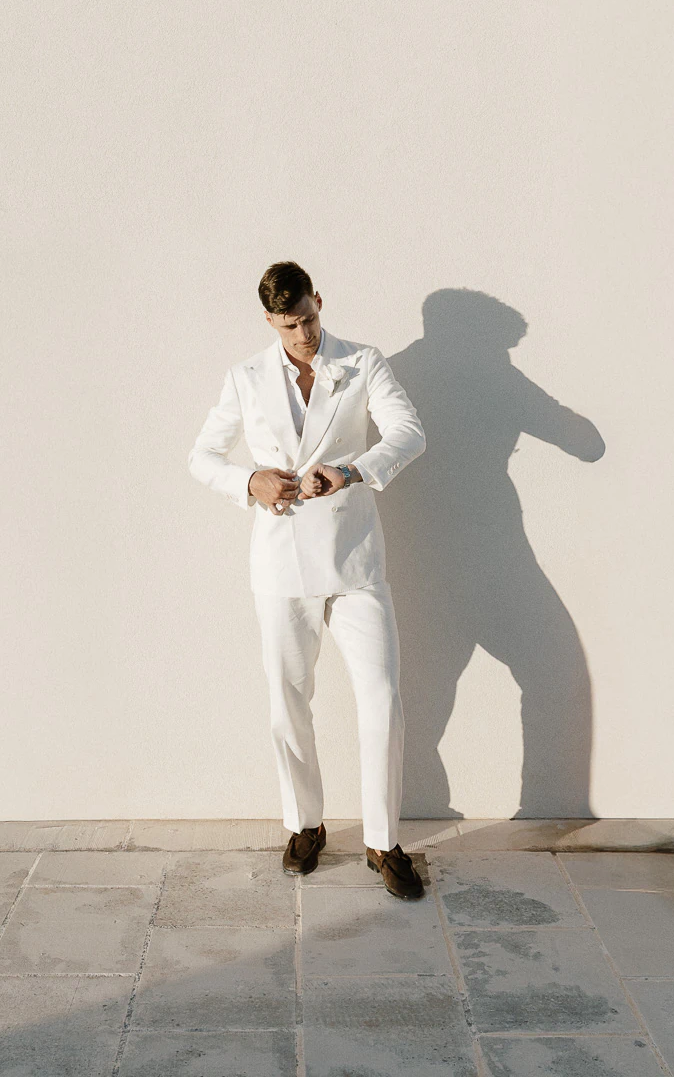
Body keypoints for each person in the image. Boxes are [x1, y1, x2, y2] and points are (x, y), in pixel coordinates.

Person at [189, 261, 427, 899]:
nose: (304, 334)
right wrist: (250, 481)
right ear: (270, 319)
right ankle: (305, 825)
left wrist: (349, 471)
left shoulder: (364, 362)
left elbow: (409, 433)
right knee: (287, 699)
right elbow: (201, 456)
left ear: (321, 301)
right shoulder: (245, 377)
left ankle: (383, 841)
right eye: (290, 324)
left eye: (311, 318)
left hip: (354, 562)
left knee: (381, 694)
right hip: (280, 562)